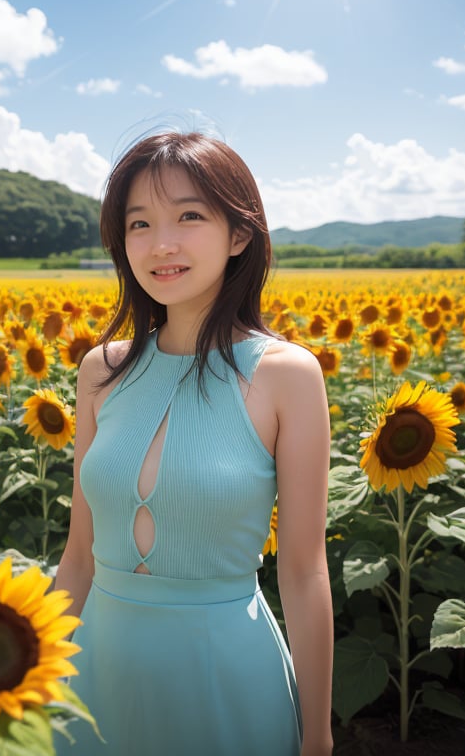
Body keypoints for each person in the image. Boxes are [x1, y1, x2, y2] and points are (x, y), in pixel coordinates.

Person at [54, 130, 333, 755]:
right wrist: (24, 682)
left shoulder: (285, 375)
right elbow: (77, 558)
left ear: (239, 235)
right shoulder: (101, 370)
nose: (162, 244)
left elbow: (305, 570)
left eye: (189, 216)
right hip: (93, 674)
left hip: (226, 676)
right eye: (139, 223)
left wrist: (318, 738)